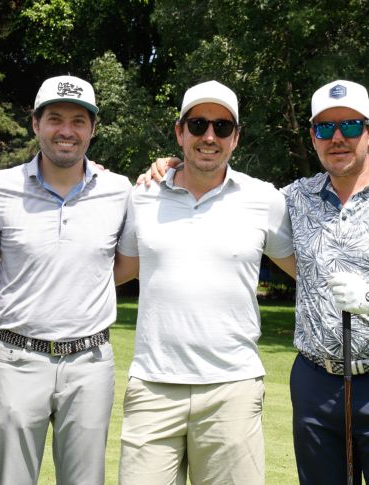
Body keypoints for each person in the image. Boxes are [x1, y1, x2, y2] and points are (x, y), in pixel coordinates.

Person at [143, 79, 369, 484]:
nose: (338, 137)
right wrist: (174, 166)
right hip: (315, 384)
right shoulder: (292, 199)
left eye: (350, 125)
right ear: (313, 136)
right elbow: (225, 190)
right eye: (325, 128)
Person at [114, 80, 296, 485]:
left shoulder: (263, 198)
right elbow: (116, 271)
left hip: (231, 388)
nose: (209, 136)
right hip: (153, 386)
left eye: (222, 127)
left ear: (236, 138)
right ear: (180, 132)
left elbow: (307, 271)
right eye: (198, 125)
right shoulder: (141, 195)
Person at [0, 75, 132, 485]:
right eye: (55, 119)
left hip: (89, 364)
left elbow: (127, 264)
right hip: (17, 360)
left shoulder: (119, 190)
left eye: (79, 121)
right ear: (36, 123)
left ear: (93, 129)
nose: (67, 130)